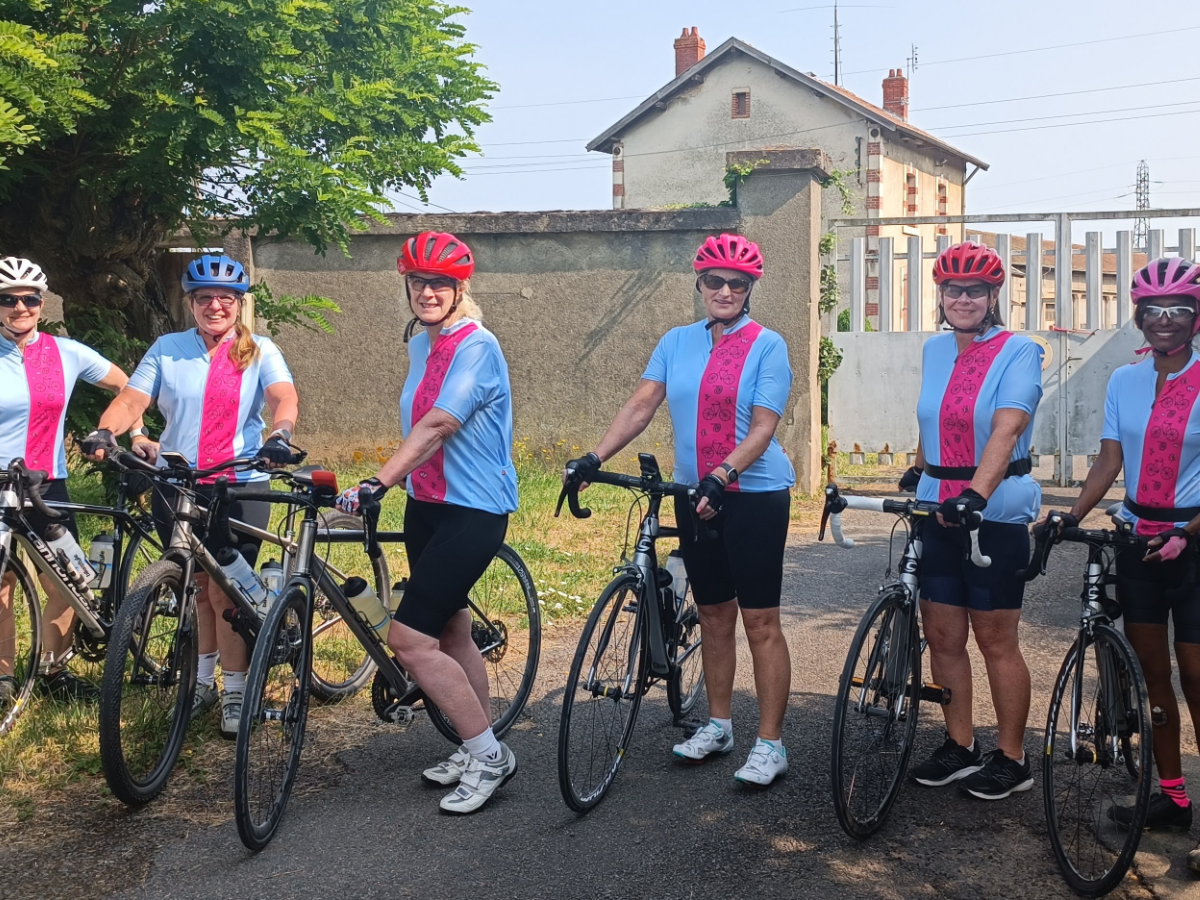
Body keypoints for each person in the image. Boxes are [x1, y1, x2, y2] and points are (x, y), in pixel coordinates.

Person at [564, 233, 795, 787]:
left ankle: (771, 743)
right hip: (696, 494)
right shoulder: (677, 341)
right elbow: (643, 403)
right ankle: (719, 725)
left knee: (759, 621)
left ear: (750, 290)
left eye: (737, 283)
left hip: (753, 494)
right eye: (714, 281)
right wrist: (593, 457)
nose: (725, 290)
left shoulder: (768, 346)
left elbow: (764, 427)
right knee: (714, 614)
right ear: (699, 284)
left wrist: (725, 473)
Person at [337, 231, 519, 814]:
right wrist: (397, 481)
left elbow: (441, 422)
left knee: (409, 640)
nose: (429, 291)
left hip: (475, 509)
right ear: (408, 286)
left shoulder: (477, 346)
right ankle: (477, 745)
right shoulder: (423, 345)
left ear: (460, 288)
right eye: (419, 281)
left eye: (441, 282)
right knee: (451, 632)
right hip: (427, 506)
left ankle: (490, 757)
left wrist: (377, 480)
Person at [84, 254, 298, 738]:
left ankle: (238, 692)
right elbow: (133, 399)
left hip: (238, 481)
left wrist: (280, 434)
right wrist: (105, 432)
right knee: (198, 586)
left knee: (225, 591)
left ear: (239, 305)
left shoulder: (259, 348)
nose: (215, 306)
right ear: (191, 303)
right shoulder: (167, 348)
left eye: (226, 298)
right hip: (177, 483)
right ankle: (201, 684)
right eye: (205, 299)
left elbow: (283, 397)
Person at [1040, 257, 1200, 868]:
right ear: (1138, 317)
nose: (1165, 321)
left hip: (1193, 544)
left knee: (1198, 678)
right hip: (1138, 540)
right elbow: (1109, 460)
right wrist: (1072, 515)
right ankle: (1173, 796)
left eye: (1178, 310)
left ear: (1194, 318)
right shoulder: (1124, 381)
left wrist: (1187, 531)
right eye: (1153, 311)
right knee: (1152, 680)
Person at [898, 240, 1044, 800]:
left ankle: (1012, 757)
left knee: (995, 638)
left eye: (975, 290)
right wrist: (919, 471)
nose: (963, 298)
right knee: (942, 632)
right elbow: (931, 415)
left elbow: (1007, 428)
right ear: (940, 295)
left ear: (993, 295)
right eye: (953, 289)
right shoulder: (936, 350)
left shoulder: (1020, 351)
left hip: (997, 510)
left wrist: (976, 494)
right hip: (939, 506)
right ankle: (960, 745)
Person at [0, 257, 152, 704]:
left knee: (65, 581)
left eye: (29, 299)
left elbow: (130, 386)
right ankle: (4, 680)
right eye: (8, 300)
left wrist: (137, 432)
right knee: (2, 585)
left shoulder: (67, 353)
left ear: (42, 303)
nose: (19, 308)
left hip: (47, 484)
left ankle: (54, 669)